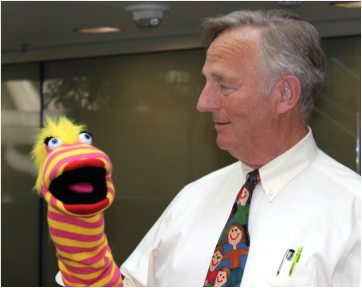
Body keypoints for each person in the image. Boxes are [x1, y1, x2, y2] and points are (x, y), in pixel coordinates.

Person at [56, 9, 361, 287]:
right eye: (206, 83)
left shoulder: (352, 212)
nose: (203, 103)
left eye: (223, 85)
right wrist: (80, 245)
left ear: (285, 93)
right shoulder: (192, 198)